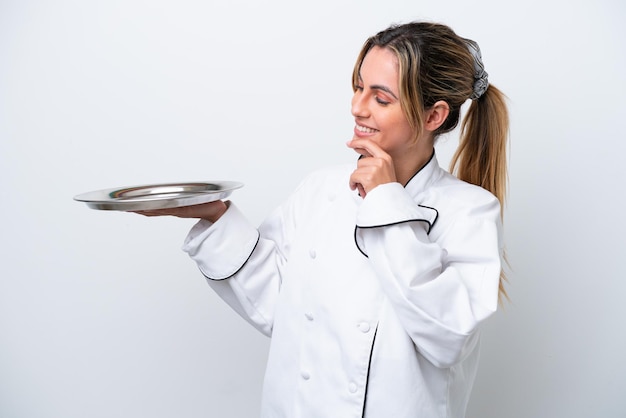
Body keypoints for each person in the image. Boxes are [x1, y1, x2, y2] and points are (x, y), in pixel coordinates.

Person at [138, 21, 509, 418]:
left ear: (434, 115)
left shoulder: (470, 211)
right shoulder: (321, 189)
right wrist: (215, 217)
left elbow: (448, 336)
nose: (357, 107)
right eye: (358, 87)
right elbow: (279, 306)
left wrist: (386, 201)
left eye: (381, 98)